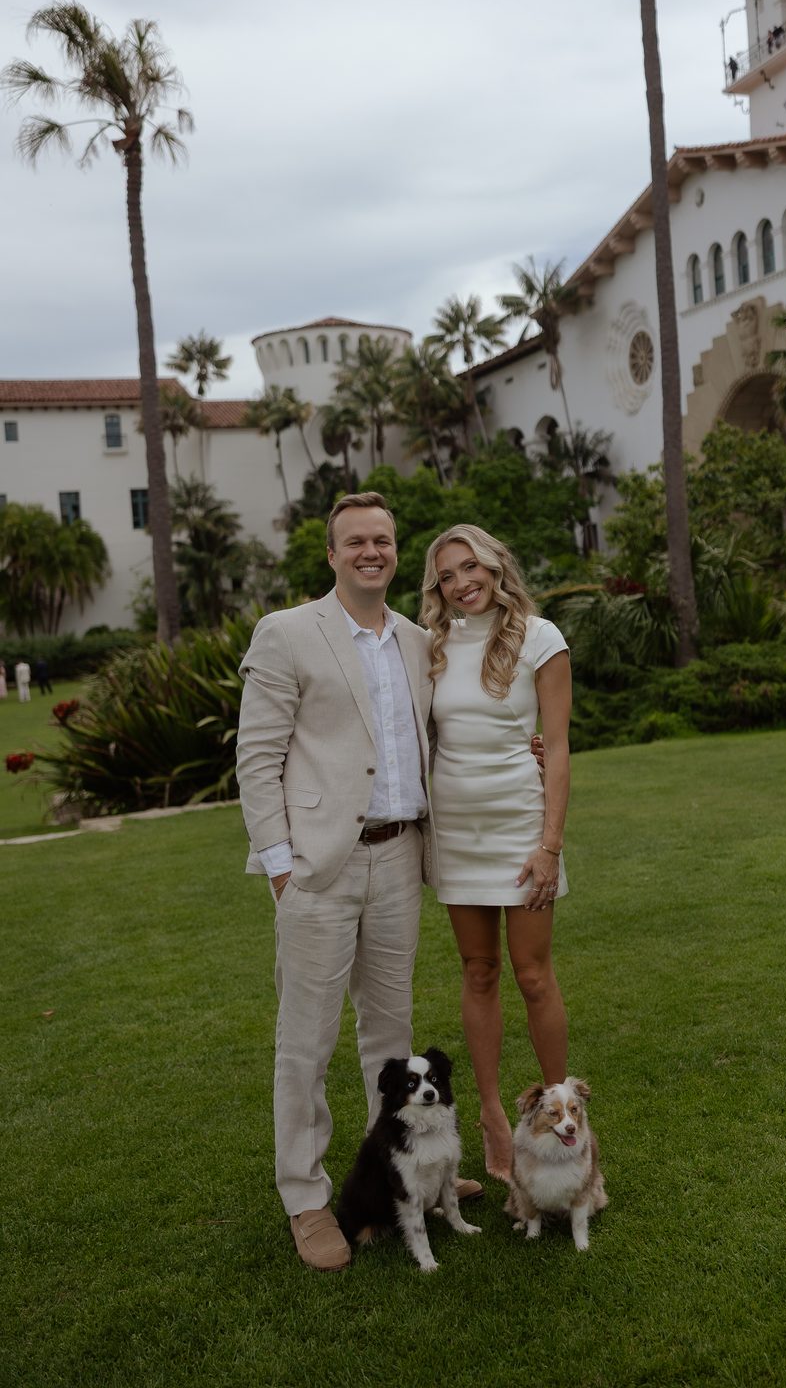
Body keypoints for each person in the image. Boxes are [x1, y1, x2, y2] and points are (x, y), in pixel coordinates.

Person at [235, 492, 482, 1274]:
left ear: (395, 551)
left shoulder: (416, 639)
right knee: (304, 1044)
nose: (370, 551)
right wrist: (279, 864)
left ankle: (406, 1172)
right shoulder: (285, 633)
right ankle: (306, 1199)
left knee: (392, 1037)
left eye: (382, 539)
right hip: (318, 866)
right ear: (332, 554)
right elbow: (257, 757)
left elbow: (447, 733)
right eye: (355, 542)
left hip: (400, 859)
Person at [421, 524, 572, 1184]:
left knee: (533, 974)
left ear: (494, 564)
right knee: (478, 971)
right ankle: (491, 1121)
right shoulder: (429, 646)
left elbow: (559, 747)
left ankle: (561, 1118)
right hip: (455, 831)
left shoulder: (541, 638)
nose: (462, 582)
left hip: (521, 825)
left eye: (470, 566)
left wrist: (549, 846)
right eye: (447, 575)